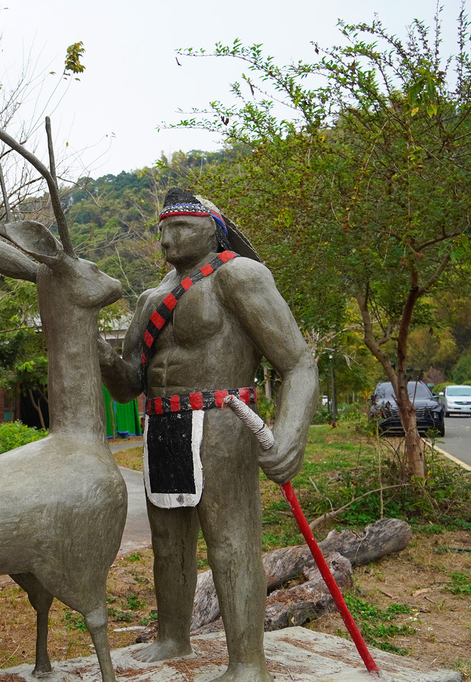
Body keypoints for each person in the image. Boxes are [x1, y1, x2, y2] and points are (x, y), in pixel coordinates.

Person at [100, 189, 318, 682]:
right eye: (161, 229)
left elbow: (298, 362)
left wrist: (289, 434)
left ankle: (247, 664)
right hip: (161, 423)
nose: (165, 239)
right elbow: (127, 386)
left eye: (178, 227)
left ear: (211, 227)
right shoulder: (150, 299)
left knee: (231, 541)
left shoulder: (240, 276)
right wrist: (97, 350)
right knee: (168, 541)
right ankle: (172, 635)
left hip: (222, 419)